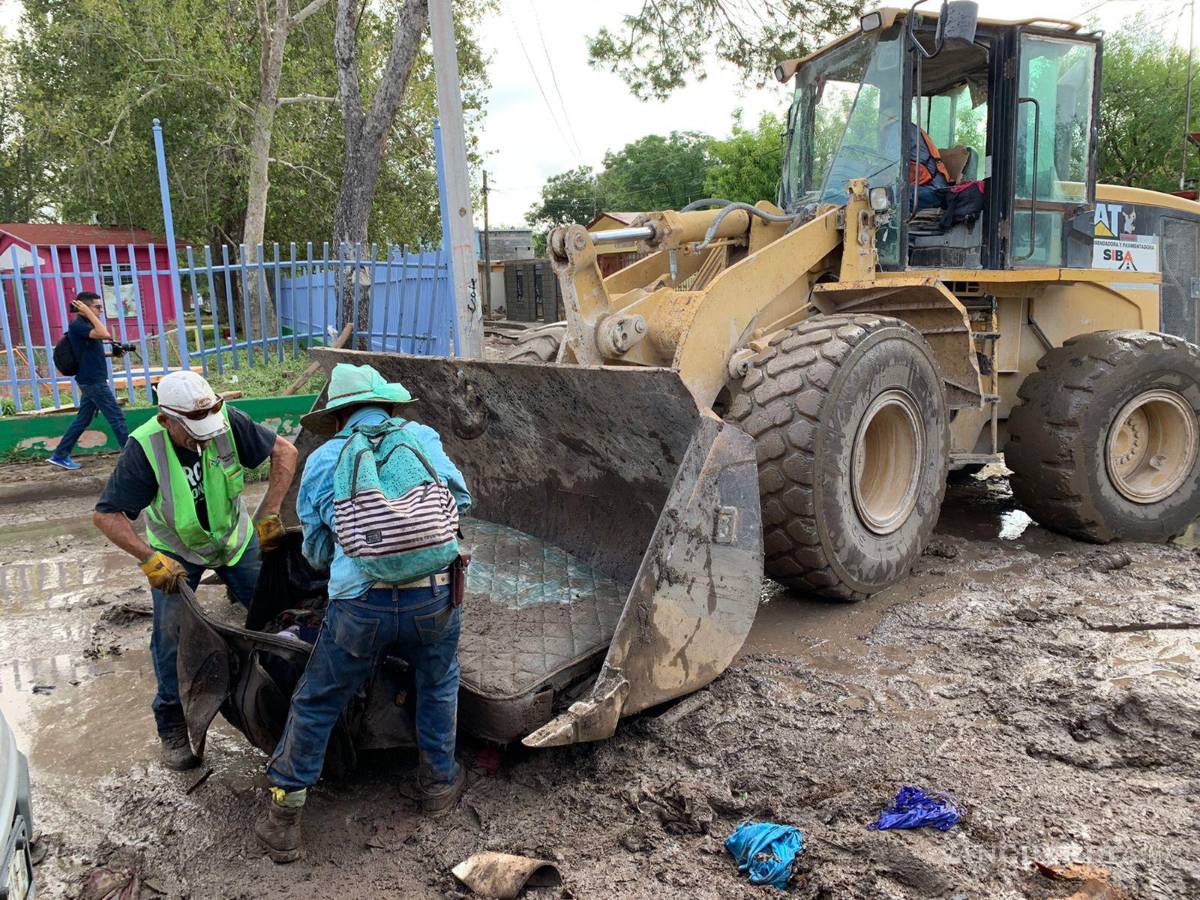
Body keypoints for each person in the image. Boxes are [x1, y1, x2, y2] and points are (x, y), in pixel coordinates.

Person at [255, 363, 471, 864]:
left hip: (361, 608)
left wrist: (356, 556)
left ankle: (284, 819)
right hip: (435, 596)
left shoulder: (327, 458)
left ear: (337, 416)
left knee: (318, 699)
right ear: (388, 404)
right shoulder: (421, 438)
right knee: (438, 681)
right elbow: (459, 500)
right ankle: (438, 784)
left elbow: (315, 551)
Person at [92, 370, 297, 770]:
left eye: (207, 429)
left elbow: (285, 452)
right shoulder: (145, 448)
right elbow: (106, 515)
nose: (203, 439)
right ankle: (170, 721)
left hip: (234, 541)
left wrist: (269, 512)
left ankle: (285, 701)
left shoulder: (225, 421)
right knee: (170, 635)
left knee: (275, 617)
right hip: (178, 550)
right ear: (167, 420)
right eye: (192, 432)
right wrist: (147, 556)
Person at [48, 291, 130, 470]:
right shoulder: (79, 325)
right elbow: (105, 333)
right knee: (117, 417)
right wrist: (87, 312)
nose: (100, 310)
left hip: (92, 379)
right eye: (97, 307)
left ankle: (60, 455)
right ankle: (132, 458)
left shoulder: (85, 324)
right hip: (93, 381)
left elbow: (90, 353)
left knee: (83, 419)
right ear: (82, 307)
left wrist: (113, 353)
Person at [909, 123, 951, 211]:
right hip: (919, 185)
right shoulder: (898, 127)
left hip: (933, 189)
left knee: (894, 198)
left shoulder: (903, 130)